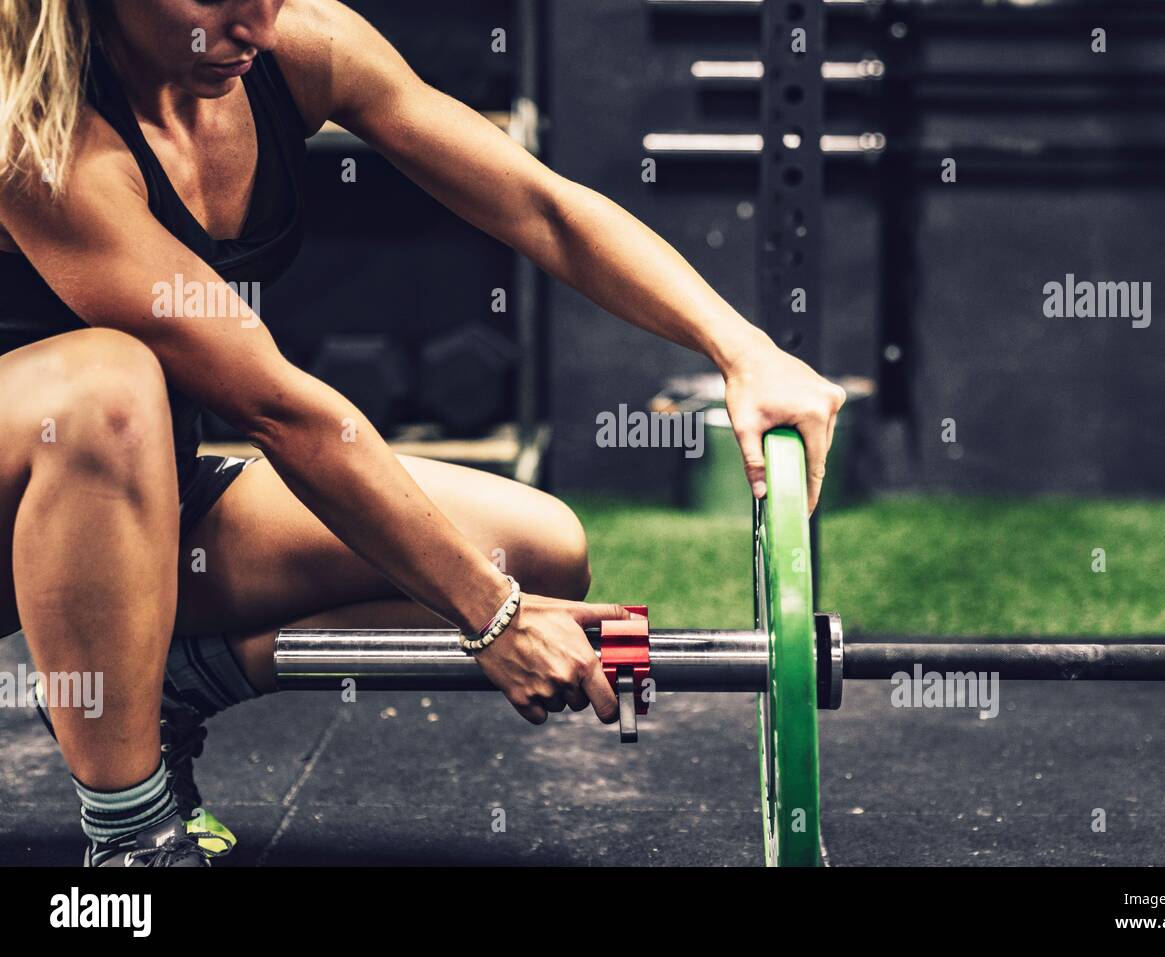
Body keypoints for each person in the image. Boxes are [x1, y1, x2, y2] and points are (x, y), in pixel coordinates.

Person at [0, 0, 846, 866]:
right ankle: (134, 835)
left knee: (531, 548)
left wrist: (743, 348)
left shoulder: (300, 51)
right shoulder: (42, 133)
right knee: (108, 386)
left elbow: (539, 206)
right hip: (32, 480)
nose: (255, 26)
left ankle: (152, 687)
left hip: (132, 509)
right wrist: (492, 619)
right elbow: (277, 410)